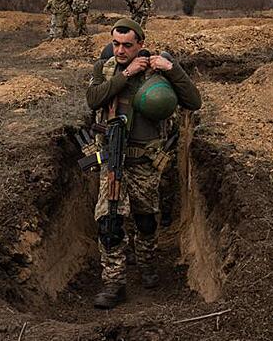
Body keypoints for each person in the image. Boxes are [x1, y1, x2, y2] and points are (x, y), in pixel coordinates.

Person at [86, 18, 201, 310]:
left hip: (145, 163)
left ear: (140, 44)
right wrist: (125, 74)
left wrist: (172, 69)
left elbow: (193, 101)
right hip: (113, 159)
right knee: (109, 222)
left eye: (127, 45)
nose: (120, 50)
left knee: (146, 221)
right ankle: (114, 284)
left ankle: (147, 264)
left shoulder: (157, 69)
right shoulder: (107, 67)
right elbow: (93, 99)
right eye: (115, 43)